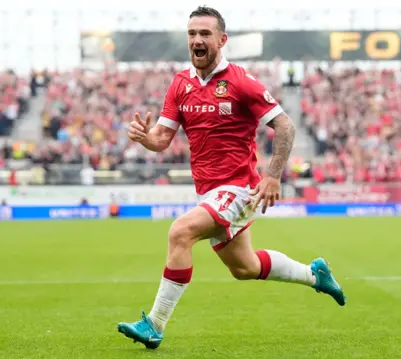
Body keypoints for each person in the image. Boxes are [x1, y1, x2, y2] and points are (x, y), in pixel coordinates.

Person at [117, 6, 346, 350]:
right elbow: (162, 140)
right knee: (245, 267)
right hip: (209, 193)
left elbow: (285, 125)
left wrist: (272, 177)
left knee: (180, 233)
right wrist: (144, 137)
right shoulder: (180, 84)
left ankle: (155, 324)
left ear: (222, 40)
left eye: (205, 34)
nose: (197, 40)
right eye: (192, 33)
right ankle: (316, 274)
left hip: (238, 189)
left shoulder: (240, 82)